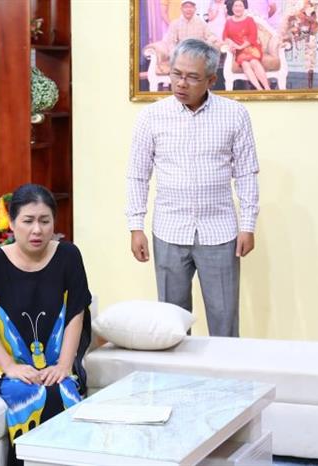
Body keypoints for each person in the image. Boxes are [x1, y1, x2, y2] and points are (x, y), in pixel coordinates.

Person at [126, 38, 259, 337]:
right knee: (171, 324)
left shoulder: (235, 115)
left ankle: (225, 369)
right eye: (176, 73)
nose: (181, 83)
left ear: (211, 79)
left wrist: (248, 225)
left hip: (220, 232)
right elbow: (137, 174)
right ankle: (177, 370)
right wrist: (136, 226)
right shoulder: (150, 117)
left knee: (224, 321)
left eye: (192, 77)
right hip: (169, 230)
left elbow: (247, 173)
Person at [0, 184, 92, 466]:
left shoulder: (69, 256)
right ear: (12, 223)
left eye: (45, 221)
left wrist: (63, 365)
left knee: (62, 390)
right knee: (33, 394)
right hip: (3, 366)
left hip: (56, 363)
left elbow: (76, 313)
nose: (37, 230)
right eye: (28, 221)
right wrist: (10, 367)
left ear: (54, 223)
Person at [223, 0, 272, 90]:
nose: (238, 8)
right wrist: (231, 44)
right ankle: (259, 89)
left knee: (253, 62)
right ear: (232, 8)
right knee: (245, 64)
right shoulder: (228, 22)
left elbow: (253, 38)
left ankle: (267, 88)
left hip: (252, 48)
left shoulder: (249, 20)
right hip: (239, 52)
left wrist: (240, 46)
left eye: (240, 6)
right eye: (236, 6)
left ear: (244, 7)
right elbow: (225, 37)